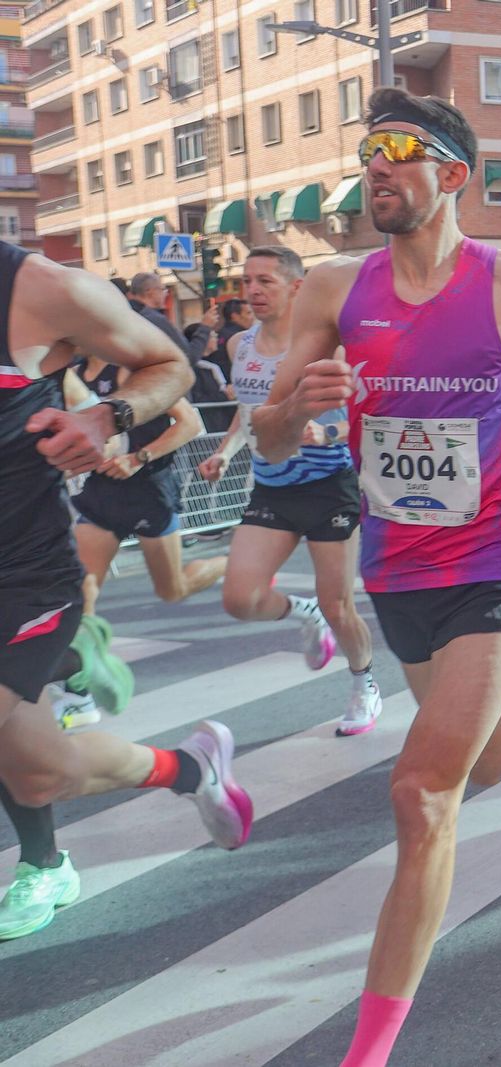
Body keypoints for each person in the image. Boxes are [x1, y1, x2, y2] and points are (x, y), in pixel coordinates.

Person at [250, 88, 501, 1067]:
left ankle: (366, 1051)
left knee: (420, 792)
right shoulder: (329, 288)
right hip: (398, 565)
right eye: (366, 153)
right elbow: (267, 429)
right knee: (481, 757)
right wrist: (297, 410)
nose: (375, 167)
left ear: (452, 174)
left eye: (398, 151)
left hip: (499, 554)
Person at [0, 244, 254, 943]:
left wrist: (106, 420)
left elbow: (168, 365)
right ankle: (186, 767)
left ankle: (75, 654)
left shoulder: (36, 289)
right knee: (39, 775)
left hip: (22, 574)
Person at [196, 246, 380, 736]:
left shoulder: (331, 348)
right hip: (272, 486)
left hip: (328, 486)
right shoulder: (240, 347)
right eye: (247, 280)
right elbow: (251, 411)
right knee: (239, 598)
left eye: (265, 282)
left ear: (297, 288)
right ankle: (304, 613)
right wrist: (227, 453)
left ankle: (364, 681)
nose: (252, 291)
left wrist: (328, 434)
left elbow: (368, 415)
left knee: (341, 607)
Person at [67, 357, 228, 618]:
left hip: (148, 491)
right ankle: (86, 655)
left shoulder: (132, 371)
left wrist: (137, 459)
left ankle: (231, 565)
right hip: (101, 493)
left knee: (172, 590)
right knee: (83, 591)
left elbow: (190, 424)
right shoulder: (74, 375)